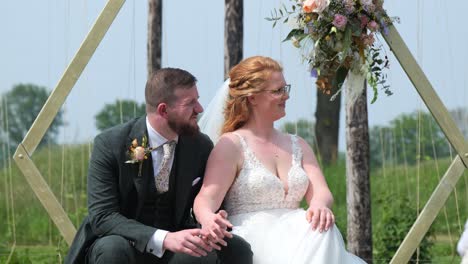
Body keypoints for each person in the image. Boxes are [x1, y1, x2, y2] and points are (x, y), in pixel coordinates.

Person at [65, 68, 252, 264]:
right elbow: (103, 216)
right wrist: (164, 239)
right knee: (113, 249)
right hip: (124, 242)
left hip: (177, 242)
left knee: (235, 248)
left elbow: (207, 202)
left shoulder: (200, 146)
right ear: (163, 110)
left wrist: (212, 221)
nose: (200, 109)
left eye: (197, 99)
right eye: (190, 103)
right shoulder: (111, 144)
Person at [194, 56, 366, 263]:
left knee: (320, 230)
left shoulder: (298, 144)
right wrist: (207, 218)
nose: (286, 96)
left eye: (286, 89)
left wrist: (319, 205)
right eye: (277, 91)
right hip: (255, 240)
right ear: (252, 97)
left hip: (299, 234)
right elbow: (206, 197)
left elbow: (321, 191)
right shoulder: (231, 145)